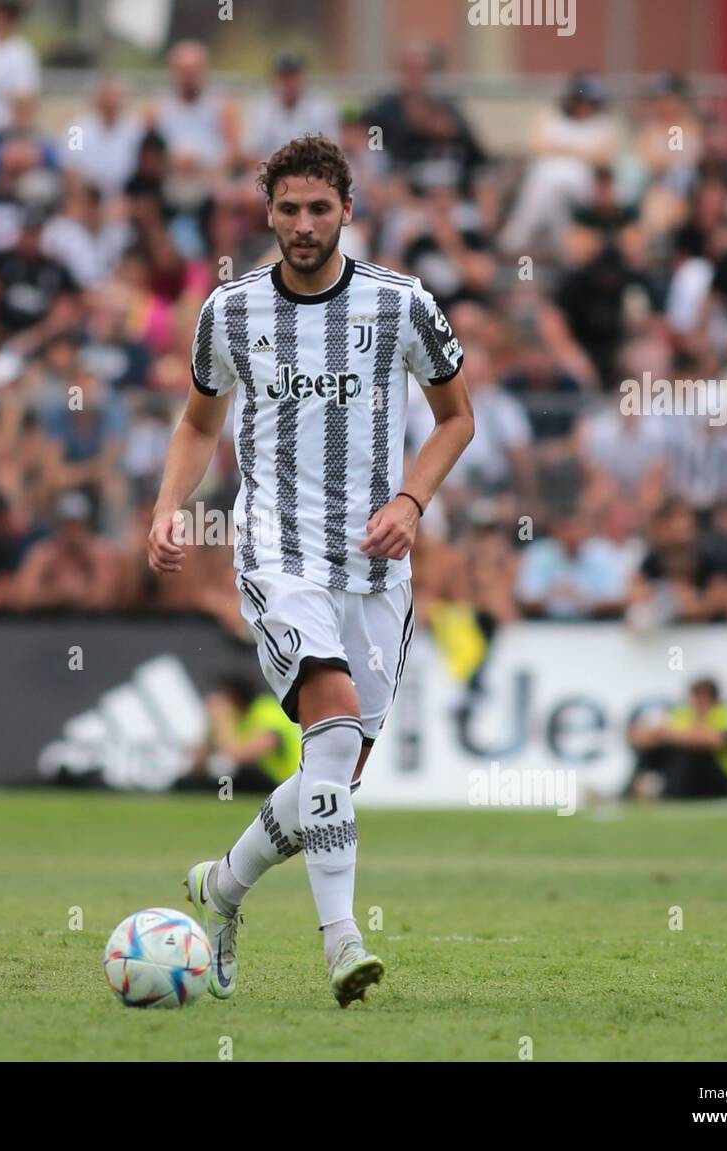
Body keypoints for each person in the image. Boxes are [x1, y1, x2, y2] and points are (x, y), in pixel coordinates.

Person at [147, 134, 474, 1006]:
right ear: (268, 211)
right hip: (278, 551)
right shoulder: (231, 311)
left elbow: (455, 418)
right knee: (328, 731)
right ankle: (343, 944)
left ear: (346, 212)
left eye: (318, 209)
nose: (302, 224)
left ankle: (223, 887)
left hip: (375, 569)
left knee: (331, 779)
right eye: (287, 208)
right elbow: (197, 424)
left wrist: (410, 503)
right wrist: (168, 506)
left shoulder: (401, 304)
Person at [625, 678, 727, 800]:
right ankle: (639, 787)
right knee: (660, 750)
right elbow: (638, 736)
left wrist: (672, 735)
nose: (697, 704)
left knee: (693, 752)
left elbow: (718, 741)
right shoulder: (684, 715)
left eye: (703, 699)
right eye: (695, 698)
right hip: (695, 780)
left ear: (714, 700)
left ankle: (665, 792)